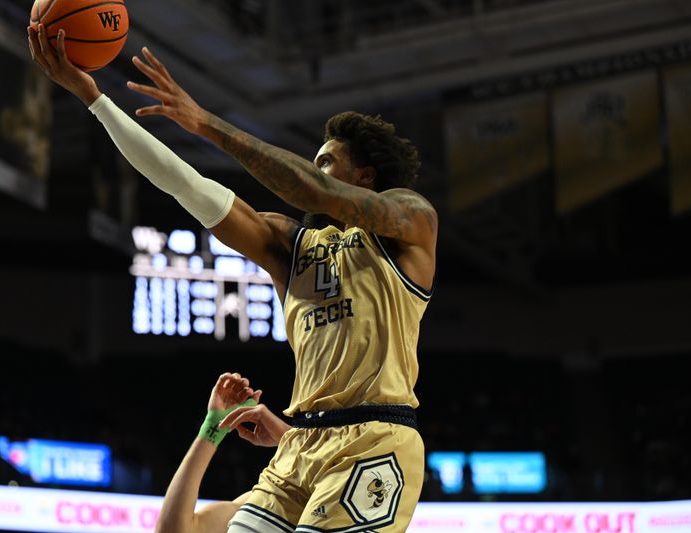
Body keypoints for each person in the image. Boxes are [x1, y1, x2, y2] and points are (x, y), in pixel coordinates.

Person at [28, 24, 437, 533]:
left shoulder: (409, 222)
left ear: (365, 177)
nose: (314, 169)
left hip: (375, 443)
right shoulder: (289, 248)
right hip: (299, 445)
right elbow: (186, 184)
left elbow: (314, 192)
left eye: (327, 161)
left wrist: (206, 124)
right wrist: (94, 100)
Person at [156, 372, 291, 533]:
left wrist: (288, 437)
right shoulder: (273, 496)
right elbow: (173, 530)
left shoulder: (324, 497)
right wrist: (212, 430)